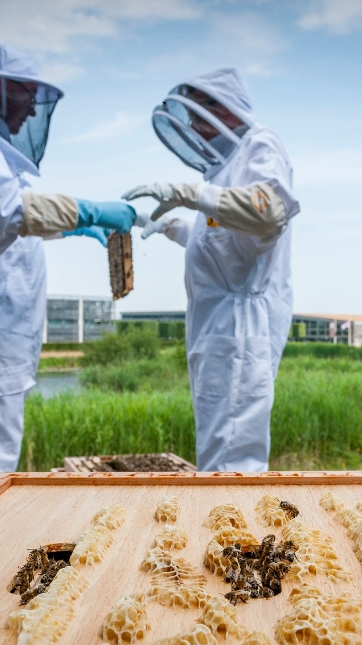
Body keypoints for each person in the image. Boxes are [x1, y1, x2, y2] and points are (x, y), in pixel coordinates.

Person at [0, 45, 136, 513]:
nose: (33, 108)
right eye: (27, 94)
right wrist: (86, 209)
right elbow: (2, 214)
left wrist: (73, 225)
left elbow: (10, 226)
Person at [124, 68, 299, 472]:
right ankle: (224, 532)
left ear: (227, 108)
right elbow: (226, 245)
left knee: (233, 458)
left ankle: (235, 536)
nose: (198, 127)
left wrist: (190, 194)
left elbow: (267, 211)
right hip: (218, 326)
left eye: (202, 113)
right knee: (218, 448)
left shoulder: (261, 146)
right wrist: (169, 227)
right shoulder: (227, 166)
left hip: (238, 329)